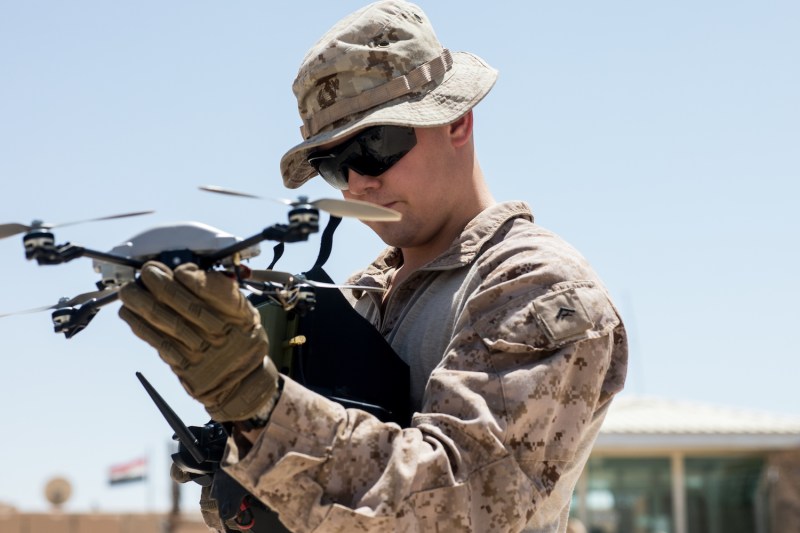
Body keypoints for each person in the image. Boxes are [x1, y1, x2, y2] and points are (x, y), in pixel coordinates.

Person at [118, 1, 628, 531]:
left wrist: (257, 403)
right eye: (334, 166)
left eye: (376, 145)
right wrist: (237, 462)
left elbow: (464, 502)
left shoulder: (537, 287)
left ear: (455, 119)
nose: (359, 181)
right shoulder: (360, 295)